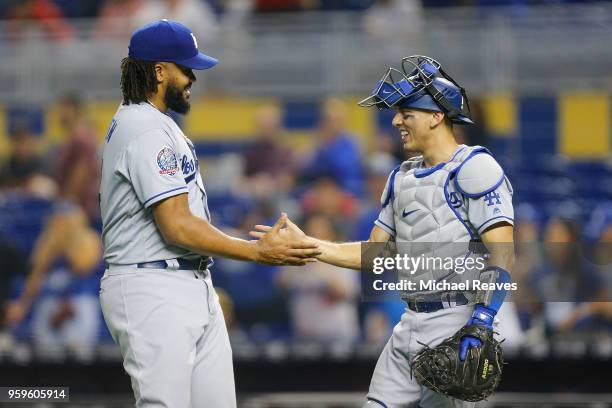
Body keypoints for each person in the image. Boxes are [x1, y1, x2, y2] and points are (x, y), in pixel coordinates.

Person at [252, 55, 515, 408]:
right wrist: (310, 244)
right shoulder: (400, 176)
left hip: (458, 322)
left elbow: (503, 253)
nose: (396, 121)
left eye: (407, 113)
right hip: (410, 323)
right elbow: (376, 254)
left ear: (437, 116)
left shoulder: (476, 167)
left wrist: (482, 322)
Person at [98, 20, 319, 408]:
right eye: (187, 68)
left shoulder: (154, 124)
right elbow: (177, 225)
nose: (193, 78)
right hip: (152, 284)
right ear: (160, 70)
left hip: (187, 281)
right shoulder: (144, 128)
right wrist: (256, 252)